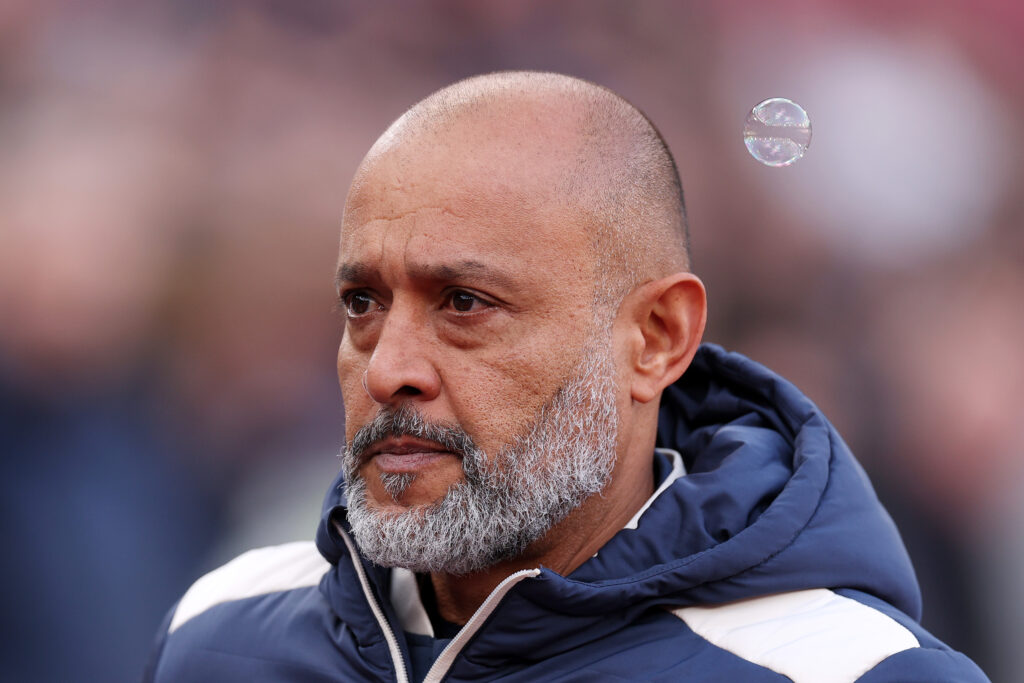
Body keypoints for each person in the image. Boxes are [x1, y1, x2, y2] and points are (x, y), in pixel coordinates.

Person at [144, 72, 988, 682]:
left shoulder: (846, 671)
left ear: (656, 338)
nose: (390, 367)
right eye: (362, 302)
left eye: (465, 302)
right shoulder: (221, 628)